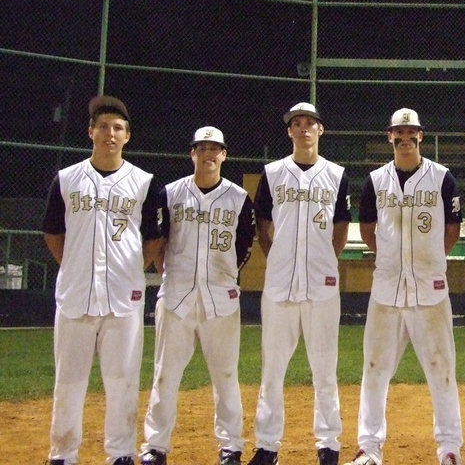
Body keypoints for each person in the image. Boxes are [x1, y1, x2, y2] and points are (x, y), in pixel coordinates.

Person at [42, 95, 161, 465]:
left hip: (123, 298)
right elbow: (52, 232)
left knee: (123, 381)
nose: (110, 133)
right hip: (76, 296)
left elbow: (155, 239)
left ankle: (122, 452)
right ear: (90, 131)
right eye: (104, 126)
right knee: (69, 382)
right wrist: (73, 265)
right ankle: (62, 454)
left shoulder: (144, 183)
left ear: (127, 136)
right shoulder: (66, 179)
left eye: (118, 128)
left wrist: (131, 270)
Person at [344, 107, 464, 465]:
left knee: (441, 368)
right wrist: (394, 259)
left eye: (412, 131)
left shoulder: (442, 178)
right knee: (375, 367)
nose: (406, 136)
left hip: (430, 288)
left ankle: (449, 448)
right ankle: (369, 448)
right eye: (399, 131)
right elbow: (367, 230)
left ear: (421, 136)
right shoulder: (375, 180)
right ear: (390, 136)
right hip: (387, 289)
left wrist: (427, 261)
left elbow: (452, 230)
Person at [140, 126, 256, 465]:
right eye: (201, 147)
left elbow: (245, 243)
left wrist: (229, 274)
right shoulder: (170, 193)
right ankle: (155, 446)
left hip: (220, 298)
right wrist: (167, 271)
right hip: (176, 297)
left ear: (224, 154)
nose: (208, 153)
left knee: (225, 375)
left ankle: (231, 446)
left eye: (214, 148)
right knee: (165, 373)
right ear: (192, 153)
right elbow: (158, 240)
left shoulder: (238, 198)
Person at [248, 102, 351, 465]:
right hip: (280, 283)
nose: (303, 129)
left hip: (321, 284)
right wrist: (276, 255)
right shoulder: (273, 172)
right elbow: (262, 222)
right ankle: (267, 445)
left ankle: (328, 444)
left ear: (320, 130)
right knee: (272, 368)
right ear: (289, 131)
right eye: (297, 124)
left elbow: (341, 224)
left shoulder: (337, 174)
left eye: (310, 123)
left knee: (325, 368)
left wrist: (328, 256)